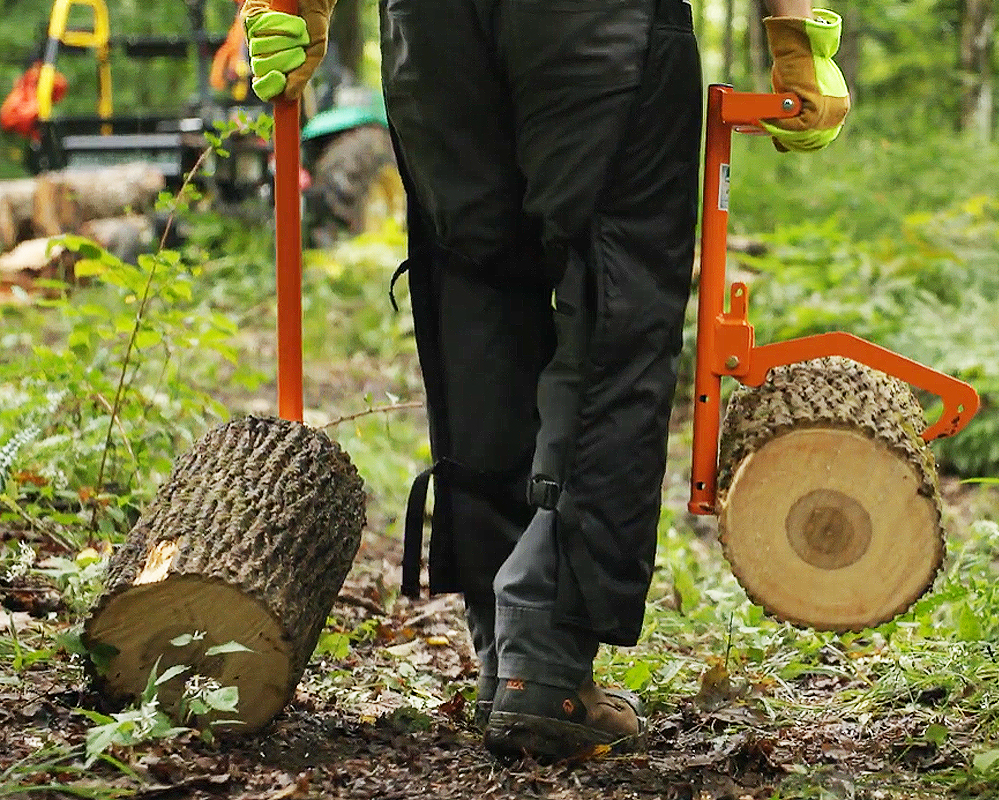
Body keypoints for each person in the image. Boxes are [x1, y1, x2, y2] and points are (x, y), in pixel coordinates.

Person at [243, 0, 848, 761]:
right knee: (610, 301)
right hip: (597, 27)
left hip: (432, 28)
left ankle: (506, 650)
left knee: (475, 289)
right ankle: (547, 656)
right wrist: (797, 34)